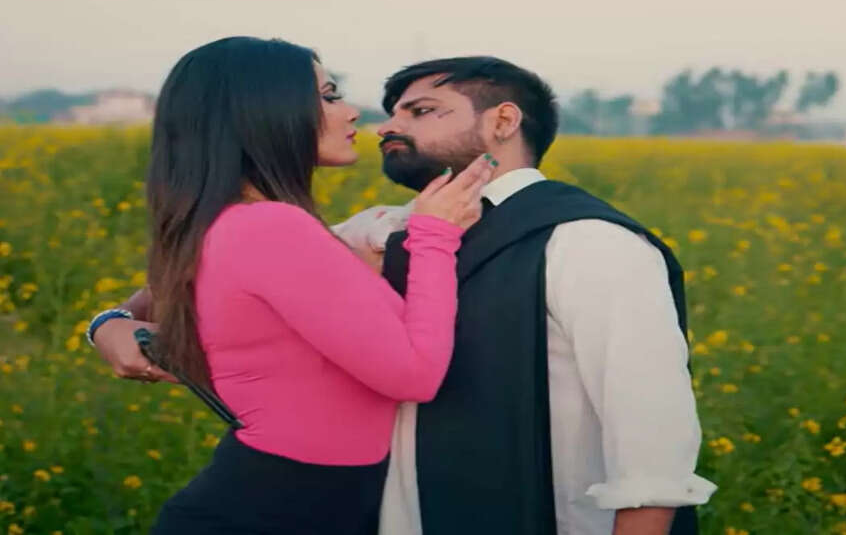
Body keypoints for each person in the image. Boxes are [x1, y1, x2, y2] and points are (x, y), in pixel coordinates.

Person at [94, 55, 716, 535]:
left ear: (503, 122)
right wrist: (112, 319)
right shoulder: (387, 227)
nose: (386, 125)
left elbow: (653, 447)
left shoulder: (589, 243)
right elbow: (202, 265)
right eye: (391, 112)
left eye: (421, 111)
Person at [87, 36, 491, 534]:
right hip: (278, 507)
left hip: (283, 498)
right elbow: (415, 376)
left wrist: (106, 322)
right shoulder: (270, 228)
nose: (351, 112)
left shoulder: (225, 221)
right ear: (262, 111)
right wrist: (435, 235)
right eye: (329, 95)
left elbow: (153, 296)